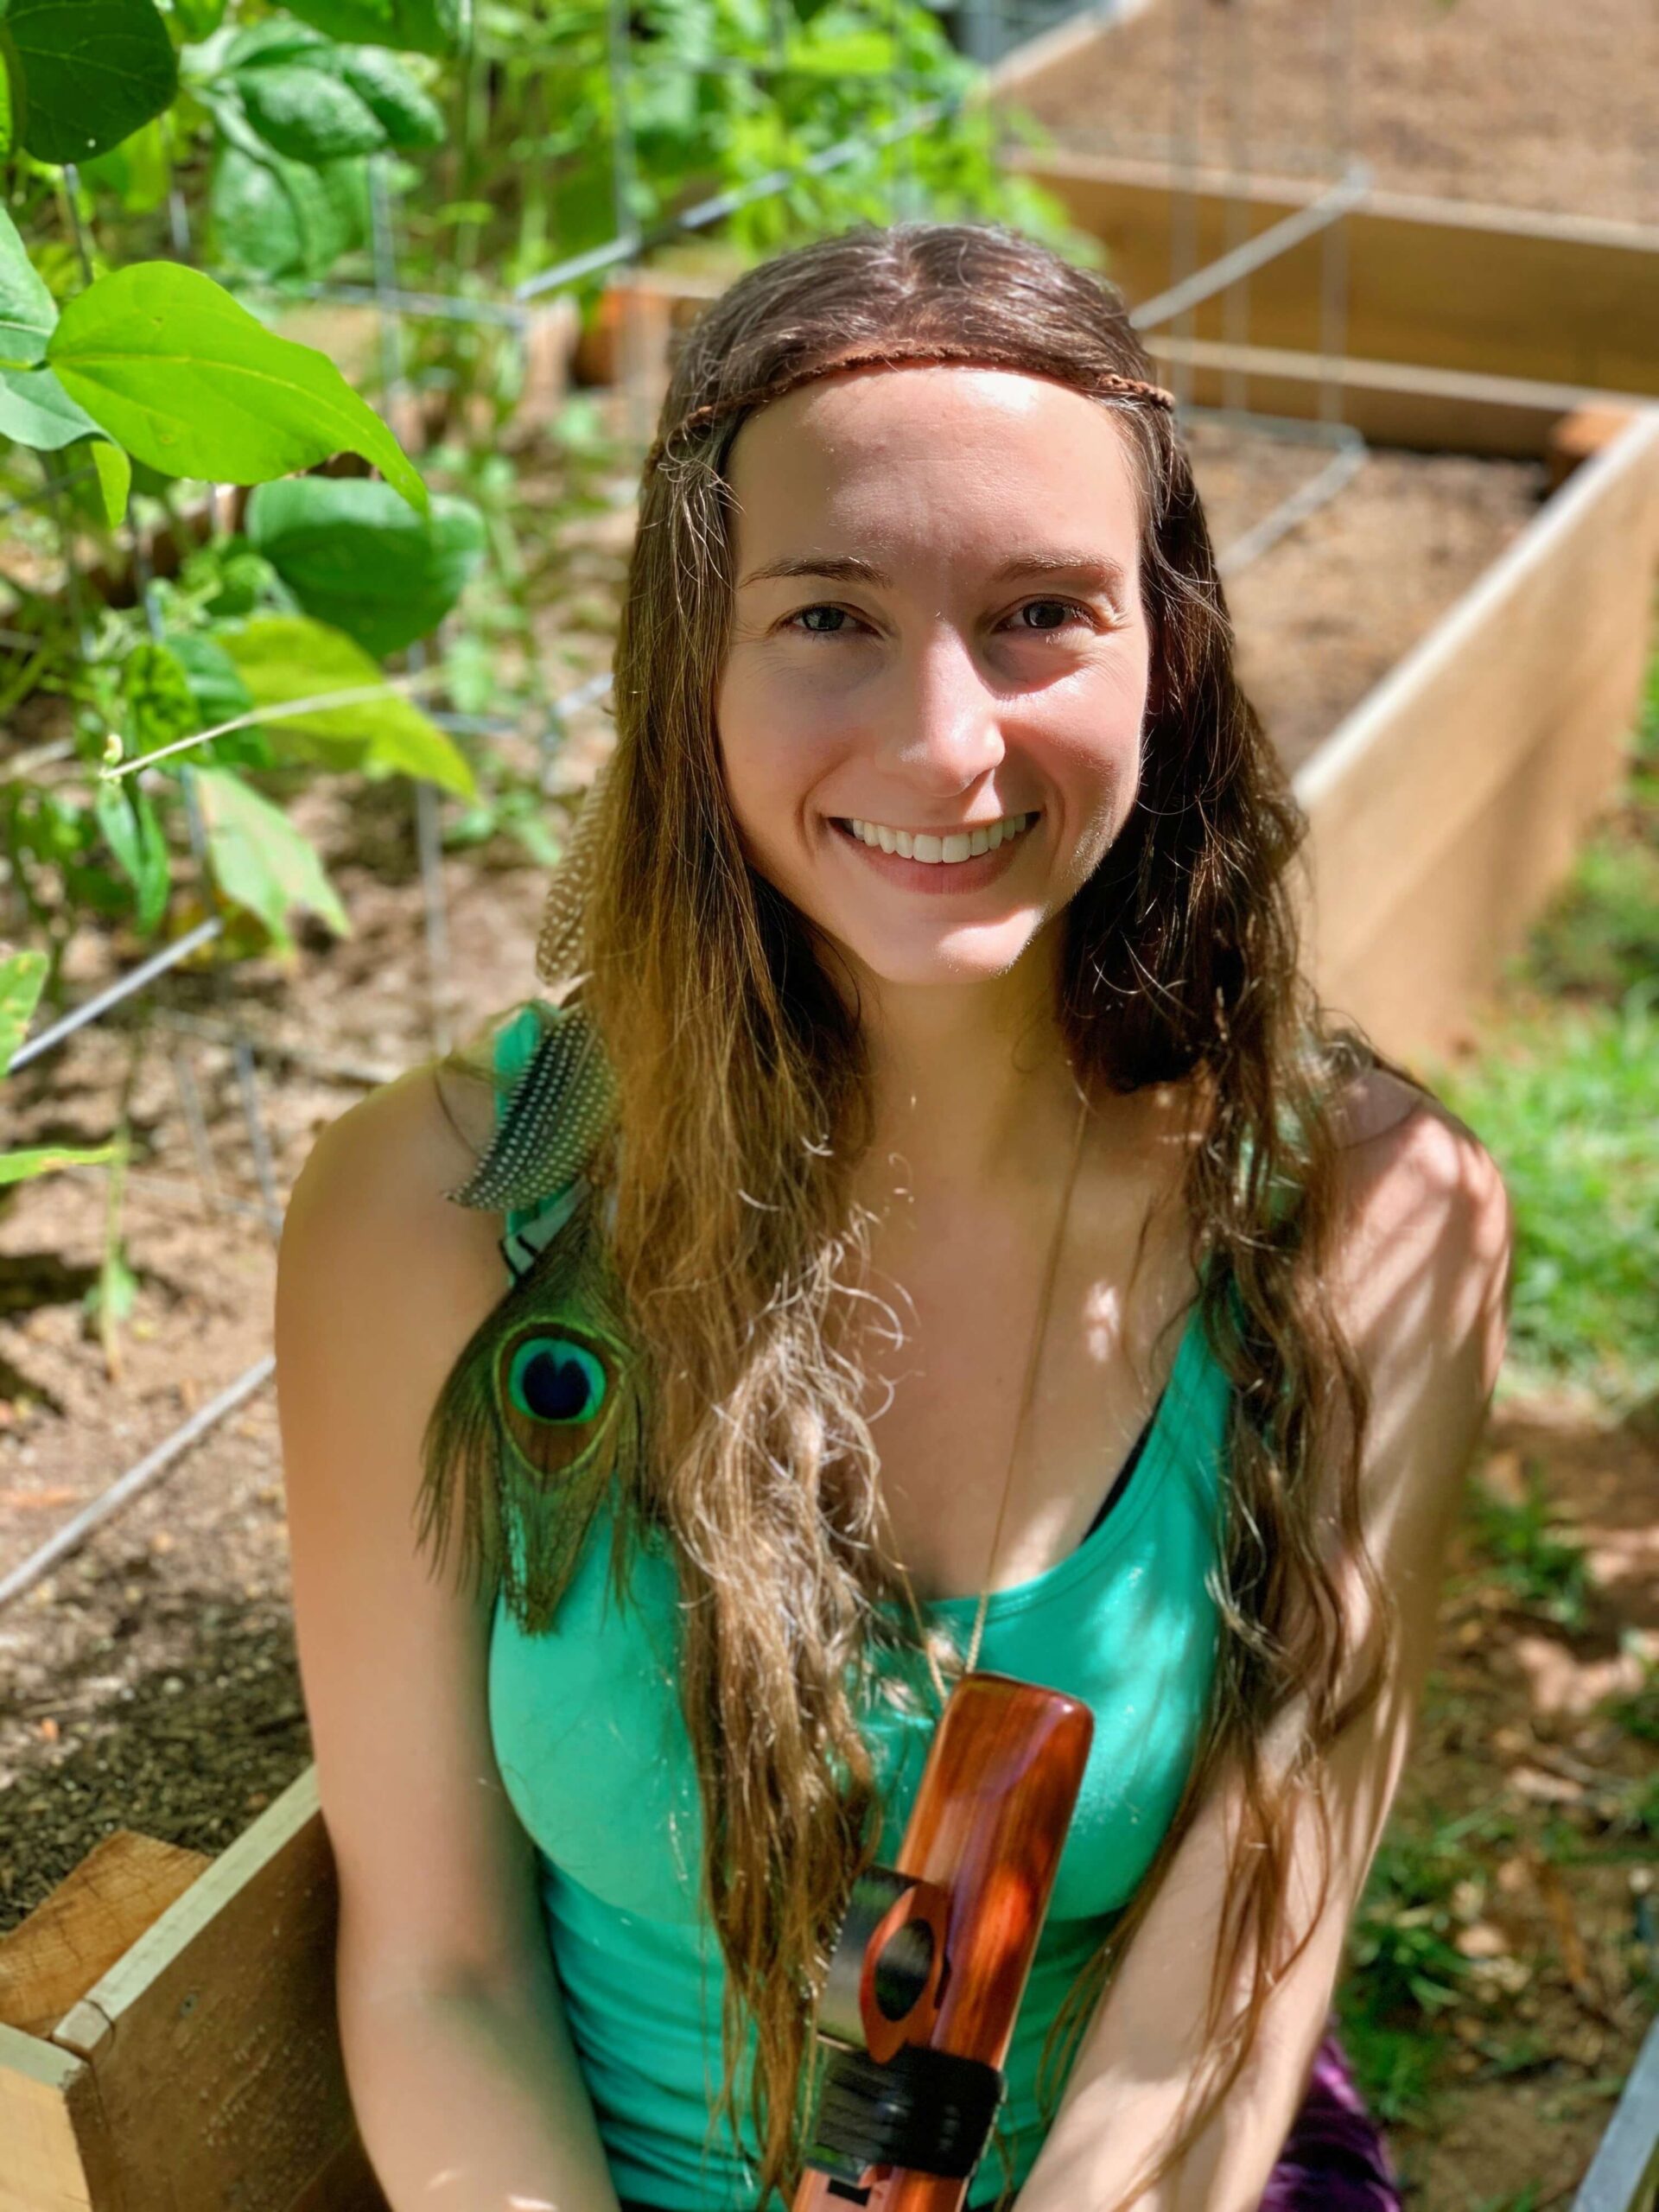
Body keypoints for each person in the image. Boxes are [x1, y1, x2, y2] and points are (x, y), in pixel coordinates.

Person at [274, 220, 1512, 2212]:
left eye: (1040, 612)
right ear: (694, 664)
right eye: (832, 615)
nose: (949, 739)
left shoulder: (1371, 1215)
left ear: (1165, 648)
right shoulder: (434, 1219)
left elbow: (1226, 1987)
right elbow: (439, 1970)